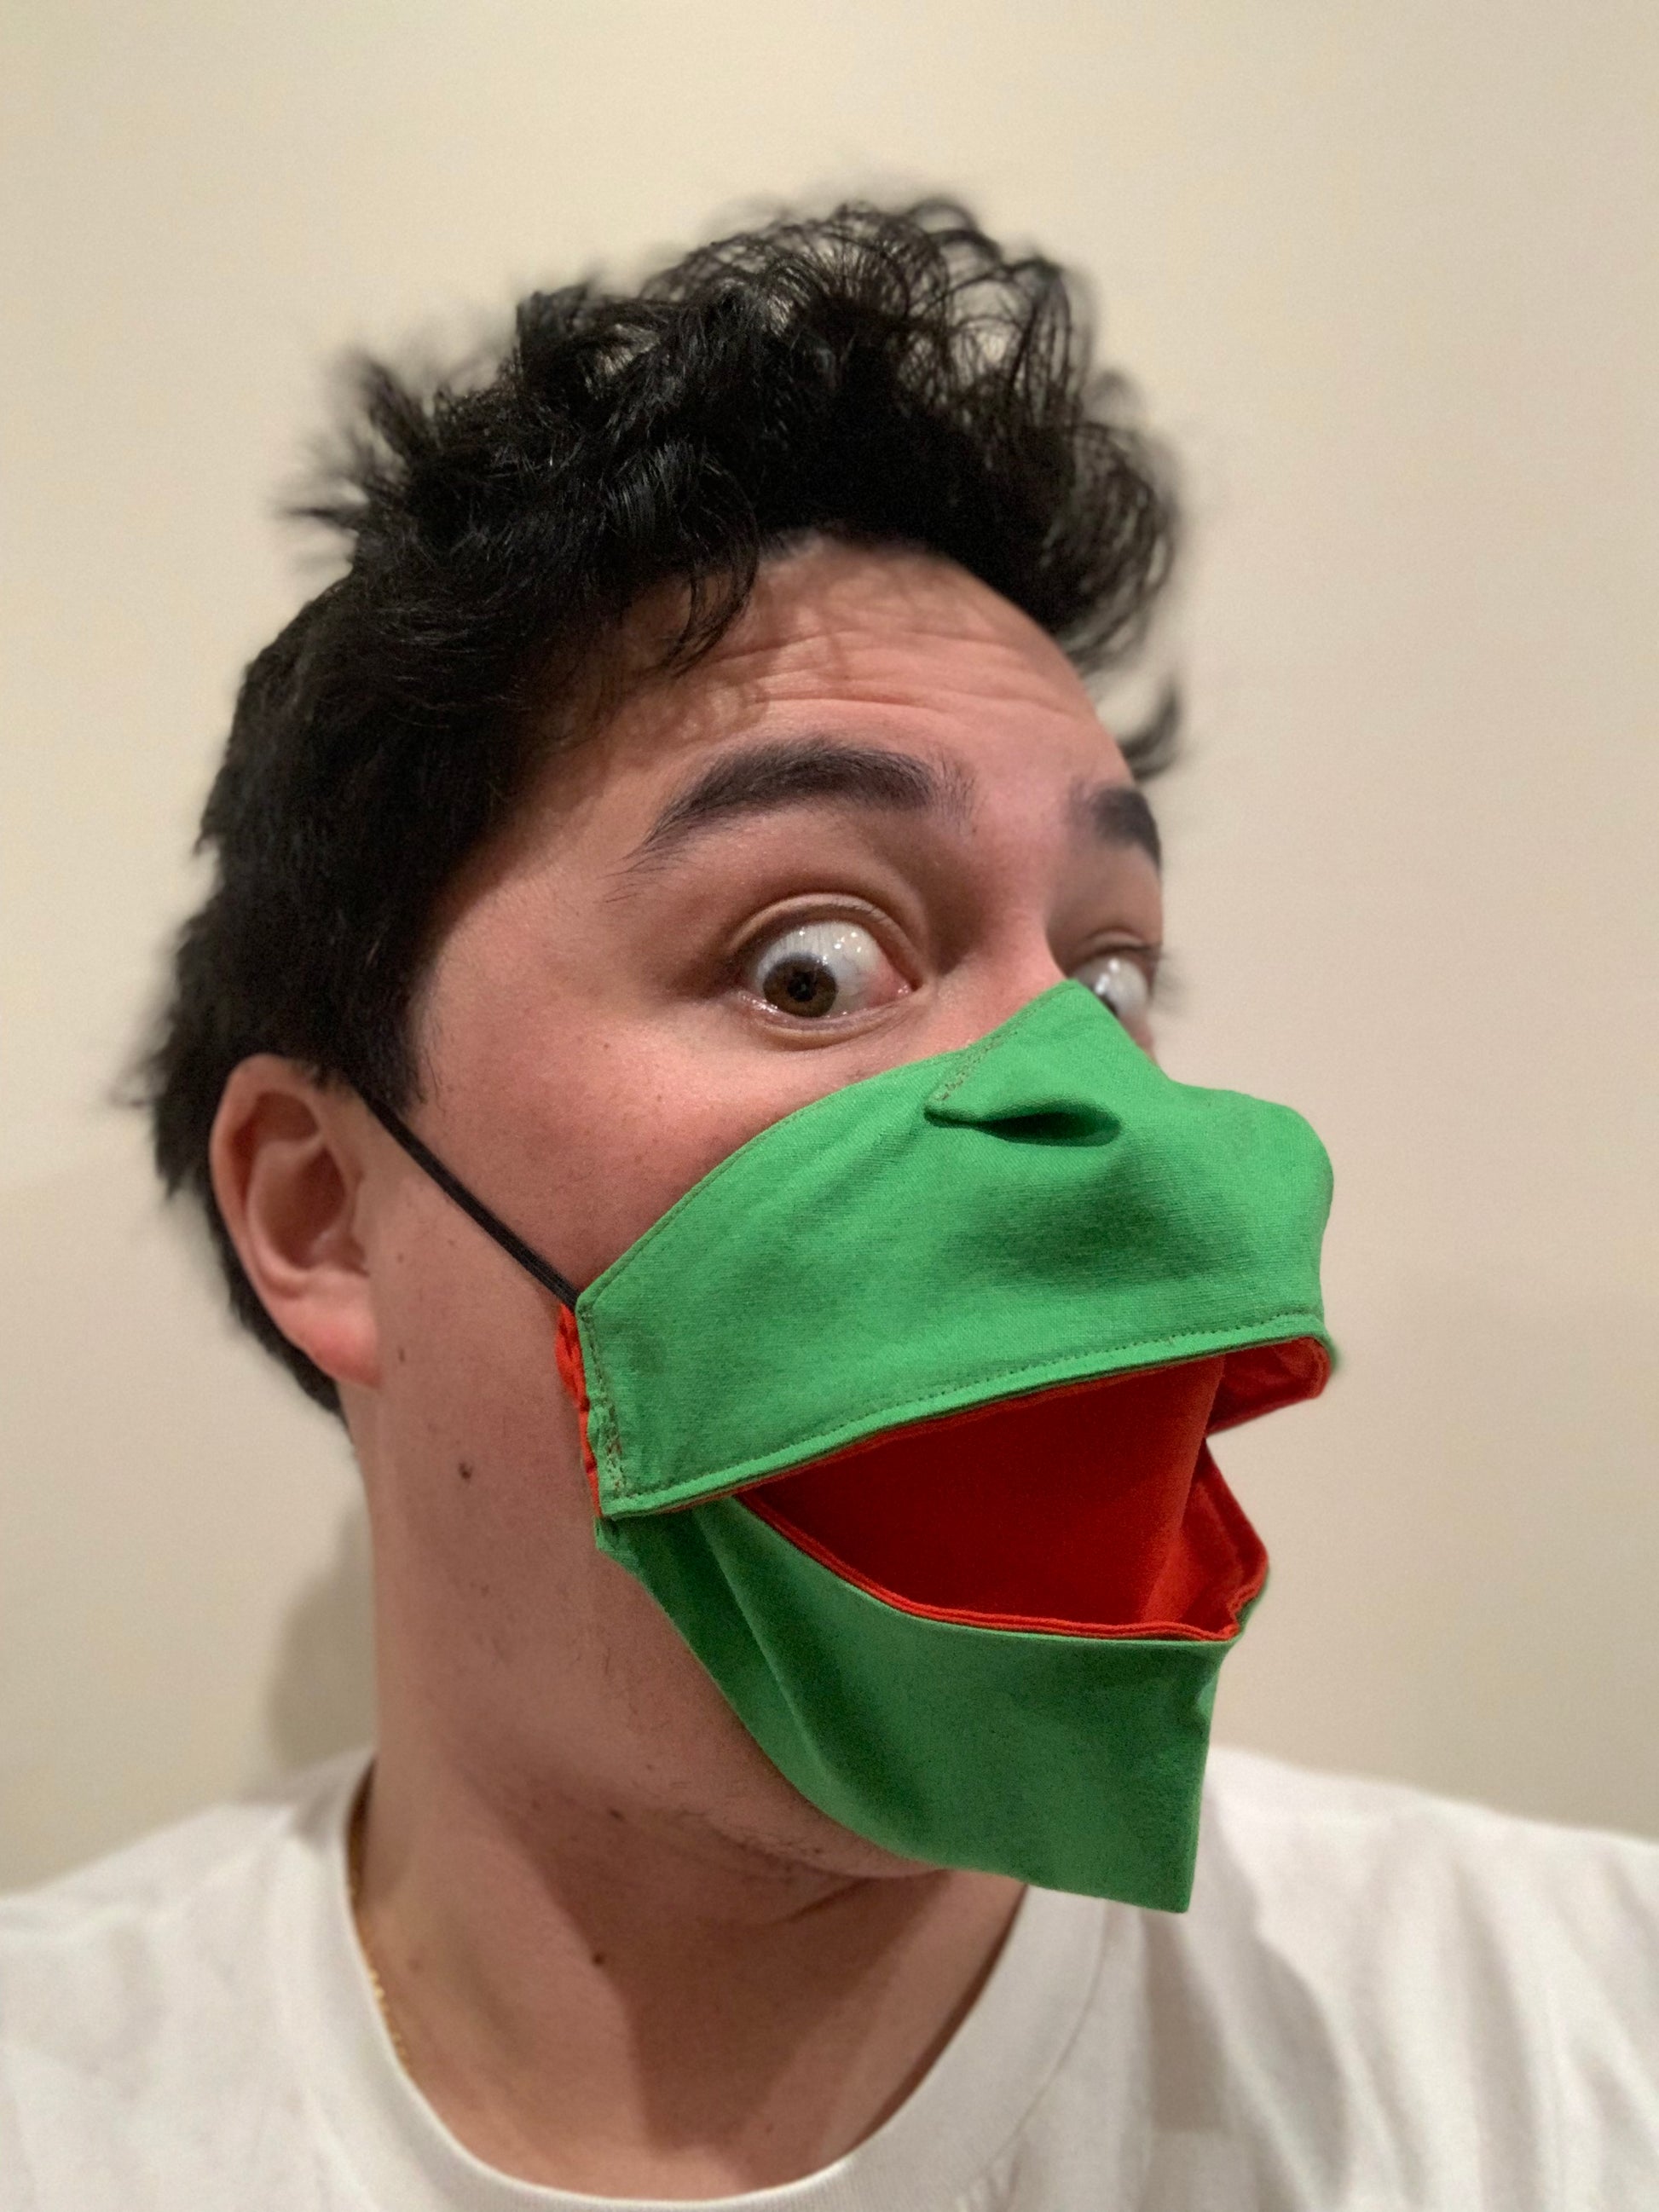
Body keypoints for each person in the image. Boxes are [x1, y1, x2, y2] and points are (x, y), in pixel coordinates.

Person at [1, 201, 1653, 2212]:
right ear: (326, 1209)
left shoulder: (1581, 2043)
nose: (1109, 1124)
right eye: (810, 962)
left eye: (1110, 977)